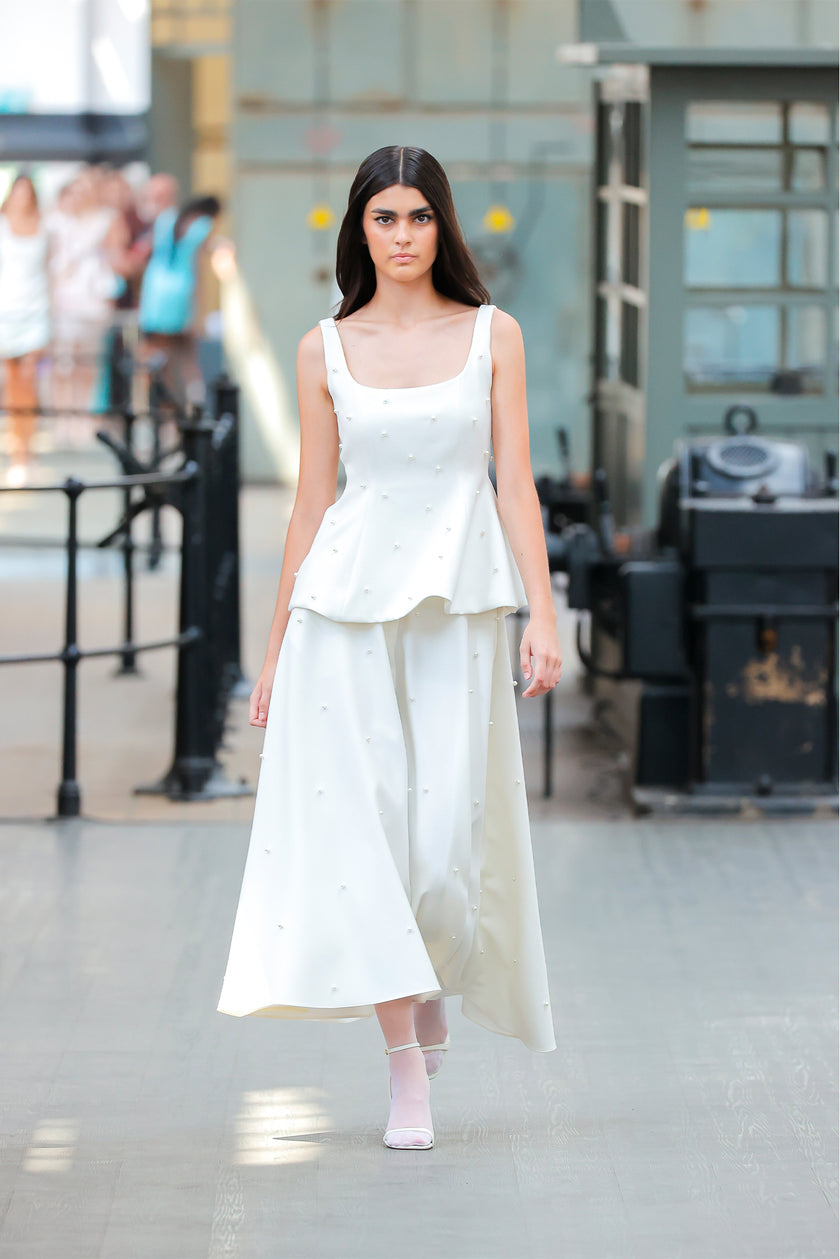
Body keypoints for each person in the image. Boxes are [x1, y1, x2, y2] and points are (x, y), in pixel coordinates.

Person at [216, 146, 562, 1151]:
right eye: (385, 219)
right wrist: (275, 648)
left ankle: (428, 978)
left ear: (441, 225)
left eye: (418, 217)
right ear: (359, 230)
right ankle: (405, 1070)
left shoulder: (495, 335)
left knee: (445, 851)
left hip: (457, 603)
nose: (403, 236)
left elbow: (516, 485)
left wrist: (544, 614)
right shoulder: (321, 346)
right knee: (365, 840)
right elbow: (312, 501)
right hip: (341, 612)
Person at [138, 193, 221, 410]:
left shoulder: (166, 220)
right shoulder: (201, 227)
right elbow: (198, 267)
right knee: (187, 358)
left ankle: (161, 409)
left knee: (157, 357)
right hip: (180, 294)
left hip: (155, 292)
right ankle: (194, 408)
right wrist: (199, 310)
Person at [0, 174, 51, 485]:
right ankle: (16, 447)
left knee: (28, 383)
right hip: (7, 310)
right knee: (11, 383)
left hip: (35, 311)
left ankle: (26, 449)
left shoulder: (44, 227)